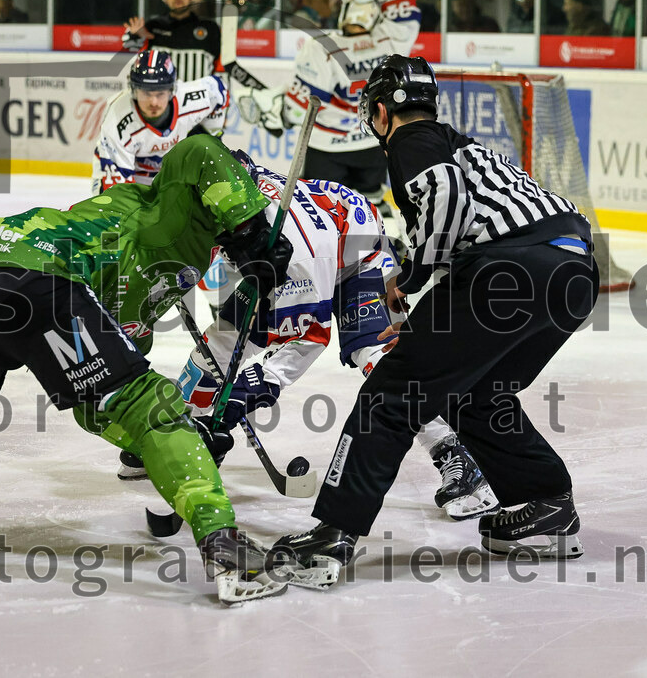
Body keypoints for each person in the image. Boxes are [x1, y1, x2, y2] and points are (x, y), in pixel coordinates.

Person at [0, 134, 294, 605]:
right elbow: (199, 151)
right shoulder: (175, 212)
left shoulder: (156, 232)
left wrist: (157, 444)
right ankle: (225, 547)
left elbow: (99, 393)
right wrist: (251, 234)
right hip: (40, 278)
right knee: (151, 405)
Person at [274, 55, 599, 589]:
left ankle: (335, 531)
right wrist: (432, 320)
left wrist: (410, 276)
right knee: (477, 393)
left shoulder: (414, 137)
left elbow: (445, 196)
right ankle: (547, 506)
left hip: (509, 271)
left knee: (390, 394)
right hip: (573, 271)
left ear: (380, 110)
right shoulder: (459, 141)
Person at [162, 152, 499, 521]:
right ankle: (176, 430)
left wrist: (251, 388)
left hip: (358, 256)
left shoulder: (290, 246)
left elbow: (310, 337)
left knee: (374, 353)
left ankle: (457, 456)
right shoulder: (236, 200)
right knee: (224, 337)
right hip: (312, 243)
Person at [236, 0, 420, 222]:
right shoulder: (391, 39)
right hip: (371, 144)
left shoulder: (322, 48)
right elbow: (406, 7)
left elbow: (299, 111)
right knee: (373, 205)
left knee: (319, 214)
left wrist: (274, 112)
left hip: (327, 151)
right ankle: (381, 255)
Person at [91, 48, 229, 193]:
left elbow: (220, 91)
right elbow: (117, 194)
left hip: (174, 173)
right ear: (133, 90)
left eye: (160, 93)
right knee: (112, 208)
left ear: (172, 90)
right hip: (132, 174)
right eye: (146, 93)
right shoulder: (117, 121)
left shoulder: (191, 99)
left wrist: (208, 137)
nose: (154, 102)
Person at [122, 0, 222, 82]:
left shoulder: (210, 28)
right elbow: (129, 46)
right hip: (161, 96)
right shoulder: (153, 27)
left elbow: (221, 67)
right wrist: (135, 35)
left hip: (199, 98)